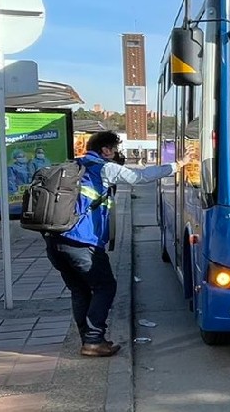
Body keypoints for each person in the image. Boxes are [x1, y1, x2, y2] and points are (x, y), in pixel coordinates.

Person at [43, 130, 194, 357]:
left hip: (55, 241)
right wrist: (178, 164)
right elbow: (139, 178)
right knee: (105, 287)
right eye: (114, 149)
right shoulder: (103, 167)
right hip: (82, 243)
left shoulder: (74, 165)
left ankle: (88, 339)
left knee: (80, 289)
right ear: (105, 150)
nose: (116, 153)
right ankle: (93, 340)